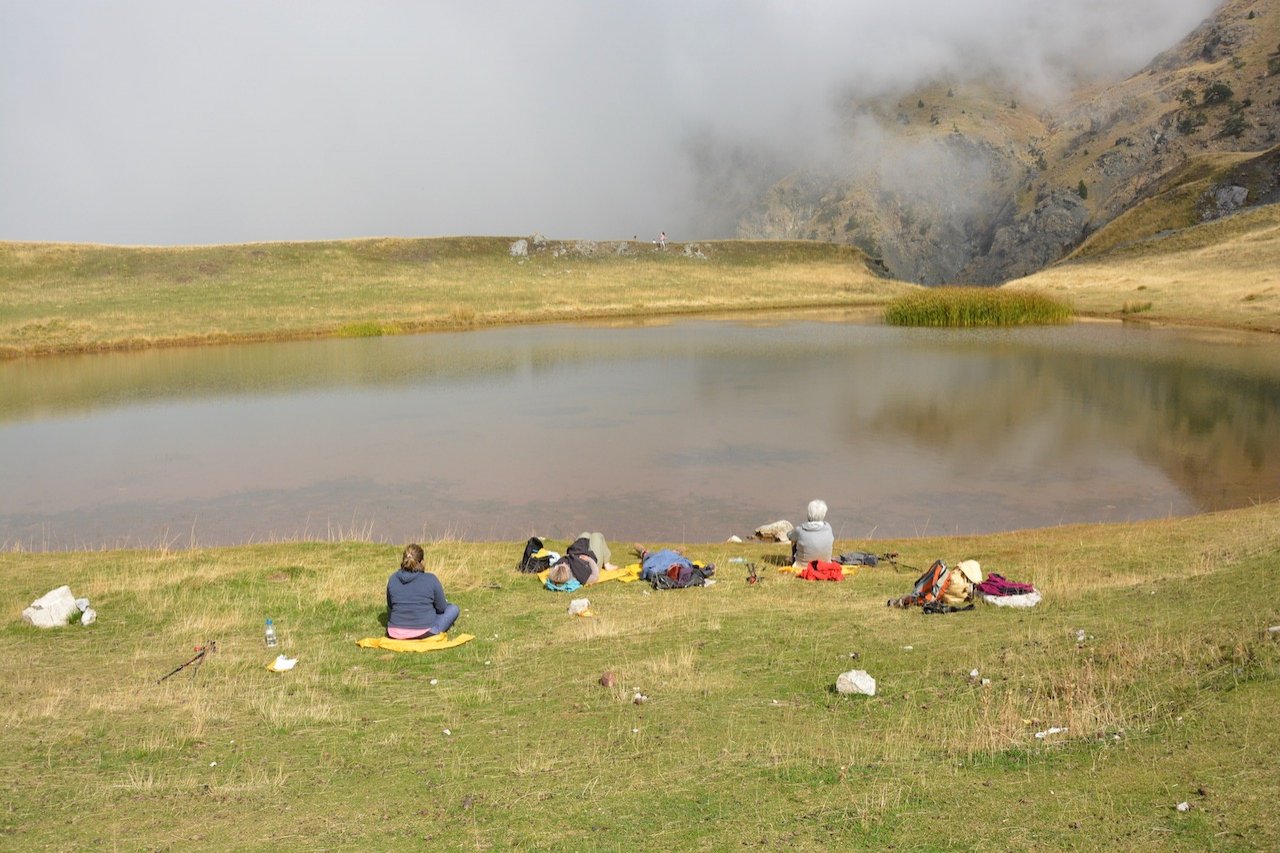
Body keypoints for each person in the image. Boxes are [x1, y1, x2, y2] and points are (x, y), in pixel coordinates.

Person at [385, 543, 460, 639]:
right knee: (453, 609)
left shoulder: (393, 578)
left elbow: (391, 606)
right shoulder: (431, 579)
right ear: (422, 561)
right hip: (425, 631)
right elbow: (441, 609)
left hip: (394, 632)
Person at [788, 499, 835, 567]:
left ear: (808, 513)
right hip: (825, 564)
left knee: (794, 540)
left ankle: (794, 560)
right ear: (823, 514)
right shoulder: (828, 527)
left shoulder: (800, 530)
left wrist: (791, 532)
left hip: (803, 565)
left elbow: (790, 536)